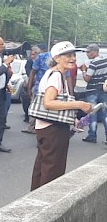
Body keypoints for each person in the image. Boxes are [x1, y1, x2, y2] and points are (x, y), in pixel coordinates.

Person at [31, 41, 92, 190]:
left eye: (74, 55)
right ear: (57, 58)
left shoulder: (52, 72)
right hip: (53, 128)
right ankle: (46, 202)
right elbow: (49, 103)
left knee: (43, 165)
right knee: (53, 168)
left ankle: (36, 198)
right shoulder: (56, 76)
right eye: (68, 55)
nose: (73, 59)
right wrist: (79, 104)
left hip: (47, 127)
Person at [80, 44, 107, 144]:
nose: (87, 54)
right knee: (105, 114)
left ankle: (92, 136)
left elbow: (87, 78)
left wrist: (83, 70)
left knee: (92, 113)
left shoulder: (93, 64)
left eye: (88, 52)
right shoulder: (105, 61)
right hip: (103, 91)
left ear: (94, 52)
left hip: (92, 91)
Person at [23, 43, 50, 135]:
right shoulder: (60, 58)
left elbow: (32, 72)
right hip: (51, 89)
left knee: (35, 107)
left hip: (40, 88)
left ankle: (33, 127)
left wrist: (29, 87)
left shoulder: (41, 57)